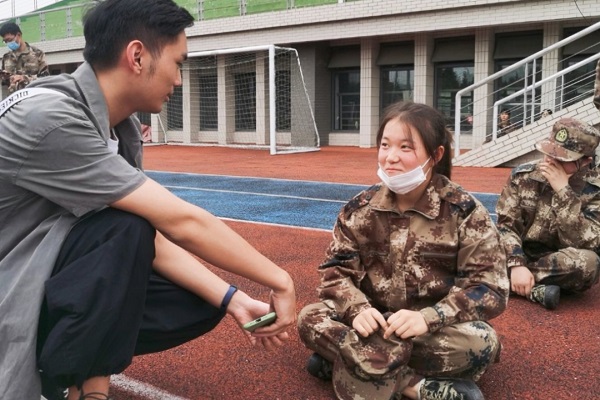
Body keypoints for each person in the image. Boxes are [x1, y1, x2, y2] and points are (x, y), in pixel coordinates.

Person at [0, 1, 296, 400]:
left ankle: (74, 369)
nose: (179, 79)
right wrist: (280, 279)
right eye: (178, 63)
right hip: (11, 283)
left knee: (196, 300)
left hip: (44, 271)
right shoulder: (48, 117)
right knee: (124, 227)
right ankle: (78, 382)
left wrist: (234, 300)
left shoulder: (119, 128)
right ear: (137, 56)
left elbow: (143, 240)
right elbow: (177, 222)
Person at [297, 102, 509, 400]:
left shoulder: (464, 212)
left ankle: (349, 362)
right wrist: (357, 309)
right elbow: (334, 273)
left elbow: (490, 289)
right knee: (309, 318)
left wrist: (430, 317)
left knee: (481, 343)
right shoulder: (359, 210)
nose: (391, 157)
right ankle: (414, 386)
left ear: (435, 155)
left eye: (405, 147)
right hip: (372, 322)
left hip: (427, 330)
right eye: (385, 145)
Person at [496, 118, 600, 310]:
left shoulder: (595, 190)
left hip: (558, 261)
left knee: (589, 264)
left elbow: (588, 243)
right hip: (519, 252)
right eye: (549, 153)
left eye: (562, 159)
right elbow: (506, 226)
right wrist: (516, 263)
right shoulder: (524, 176)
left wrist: (564, 192)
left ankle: (502, 281)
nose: (550, 161)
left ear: (586, 161)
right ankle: (528, 285)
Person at [0, 21, 49, 93]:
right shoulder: (6, 57)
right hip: (14, 97)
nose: (8, 43)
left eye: (9, 40)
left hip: (33, 96)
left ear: (18, 35)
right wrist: (5, 77)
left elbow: (45, 79)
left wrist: (24, 78)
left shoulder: (37, 54)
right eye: (5, 41)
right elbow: (5, 83)